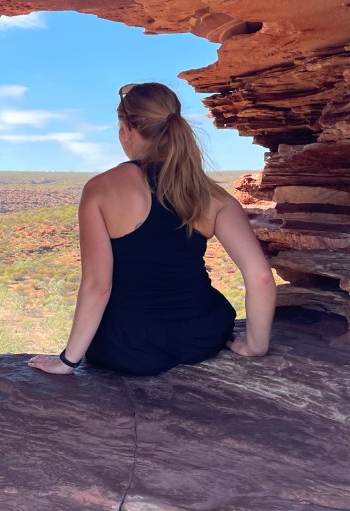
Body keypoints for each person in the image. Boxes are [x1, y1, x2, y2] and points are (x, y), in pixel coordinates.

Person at [28, 82, 276, 376]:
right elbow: (260, 277)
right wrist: (256, 346)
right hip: (201, 335)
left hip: (128, 348)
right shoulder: (212, 195)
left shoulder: (100, 189)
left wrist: (68, 361)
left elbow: (98, 285)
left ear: (126, 128)